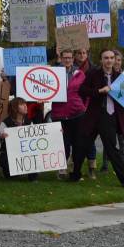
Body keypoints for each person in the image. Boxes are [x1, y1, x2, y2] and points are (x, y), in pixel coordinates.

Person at [69, 49, 124, 187]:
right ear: (101, 60)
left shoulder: (120, 77)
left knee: (111, 149)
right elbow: (82, 91)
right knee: (82, 146)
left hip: (109, 117)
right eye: (106, 58)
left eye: (111, 58)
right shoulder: (93, 74)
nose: (109, 60)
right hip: (92, 116)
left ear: (115, 60)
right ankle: (75, 174)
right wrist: (99, 91)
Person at [51, 48, 88, 179]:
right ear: (60, 58)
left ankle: (76, 171)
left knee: (78, 144)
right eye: (65, 57)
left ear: (73, 59)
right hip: (59, 114)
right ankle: (61, 170)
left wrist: (84, 107)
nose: (67, 60)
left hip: (77, 114)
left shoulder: (80, 74)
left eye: (70, 57)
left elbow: (86, 93)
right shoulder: (52, 73)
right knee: (62, 144)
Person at [0, 98, 39, 181]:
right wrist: (1, 137)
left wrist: (54, 132)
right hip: (9, 154)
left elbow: (37, 137)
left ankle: (33, 177)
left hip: (25, 153)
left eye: (25, 104)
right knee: (11, 176)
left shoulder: (29, 122)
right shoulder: (6, 122)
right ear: (15, 108)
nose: (25, 106)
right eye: (22, 104)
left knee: (35, 156)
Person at [102, 51, 124, 172]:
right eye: (115, 59)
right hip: (109, 113)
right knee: (109, 141)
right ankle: (106, 165)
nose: (117, 62)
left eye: (119, 60)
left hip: (123, 114)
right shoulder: (107, 74)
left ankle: (123, 165)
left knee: (123, 141)